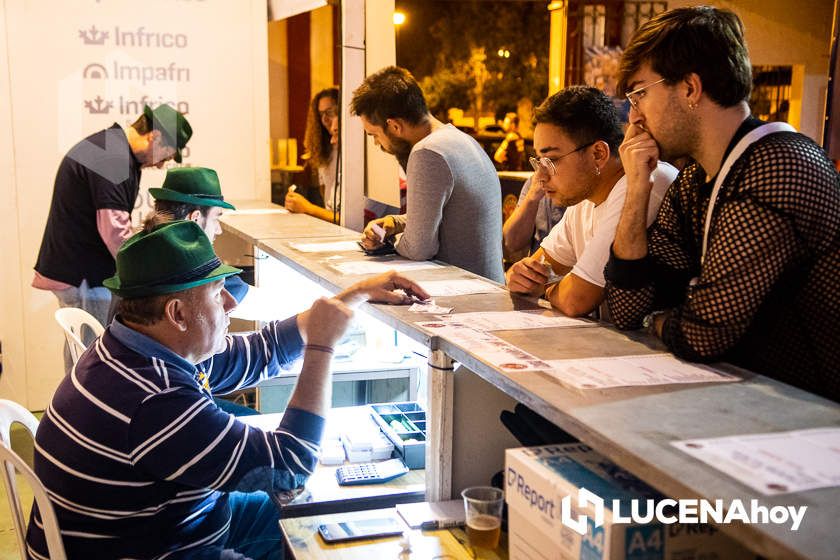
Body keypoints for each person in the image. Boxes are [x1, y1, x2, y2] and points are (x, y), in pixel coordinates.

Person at [26, 219, 429, 559]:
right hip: (157, 549)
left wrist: (349, 299)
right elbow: (288, 469)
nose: (230, 305)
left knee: (310, 516)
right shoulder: (155, 399)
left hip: (157, 528)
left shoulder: (131, 350)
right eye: (217, 294)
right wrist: (322, 347)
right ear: (178, 313)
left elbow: (256, 352)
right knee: (310, 523)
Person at [604, 7, 840, 401]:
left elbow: (703, 334)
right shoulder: (696, 179)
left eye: (640, 93)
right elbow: (627, 309)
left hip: (814, 421)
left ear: (691, 88)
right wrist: (637, 187)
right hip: (749, 403)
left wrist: (658, 319)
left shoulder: (780, 165)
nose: (635, 116)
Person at [33, 104, 192, 370]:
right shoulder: (113, 156)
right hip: (85, 275)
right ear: (155, 137)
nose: (163, 164)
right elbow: (115, 232)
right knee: (92, 358)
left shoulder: (114, 148)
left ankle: (79, 407)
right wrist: (147, 274)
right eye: (167, 154)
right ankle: (84, 409)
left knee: (83, 353)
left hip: (79, 270)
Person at [506, 86, 677, 318]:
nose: (541, 175)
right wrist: (518, 276)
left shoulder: (644, 180)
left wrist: (545, 288)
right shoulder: (583, 200)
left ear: (598, 154)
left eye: (552, 160)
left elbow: (576, 300)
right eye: (539, 161)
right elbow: (537, 269)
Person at [354, 66, 504, 283]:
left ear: (394, 126)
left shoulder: (427, 152)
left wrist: (385, 244)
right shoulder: (459, 139)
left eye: (374, 135)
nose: (377, 144)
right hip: (487, 285)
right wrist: (396, 222)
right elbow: (454, 216)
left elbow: (418, 249)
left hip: (463, 294)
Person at [285, 87, 341, 223]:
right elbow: (328, 208)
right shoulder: (324, 152)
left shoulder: (353, 156)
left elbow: (350, 220)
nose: (325, 119)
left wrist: (308, 208)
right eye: (321, 114)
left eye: (331, 112)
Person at [502, 175, 565, 257]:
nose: (541, 169)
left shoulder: (582, 188)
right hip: (538, 264)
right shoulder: (535, 180)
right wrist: (532, 197)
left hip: (571, 267)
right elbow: (512, 243)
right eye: (537, 162)